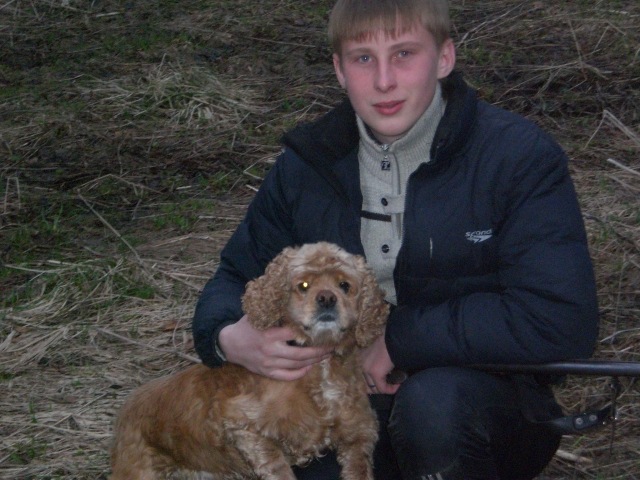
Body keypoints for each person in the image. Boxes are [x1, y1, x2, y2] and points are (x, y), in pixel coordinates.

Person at [192, 0, 600, 478]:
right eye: (363, 58)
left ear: (444, 58)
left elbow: (560, 317)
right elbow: (233, 276)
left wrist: (399, 340)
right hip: (344, 396)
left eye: (404, 54)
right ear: (339, 70)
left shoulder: (517, 157)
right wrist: (227, 337)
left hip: (486, 404)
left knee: (433, 409)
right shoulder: (306, 167)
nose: (384, 81)